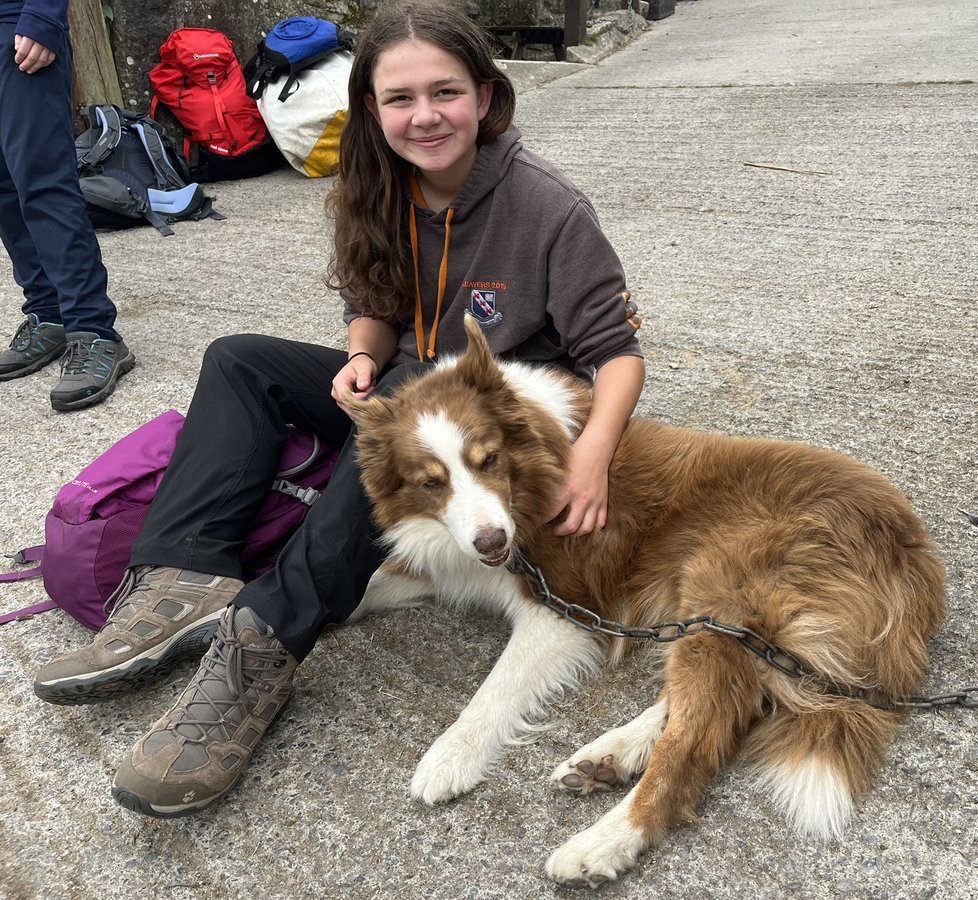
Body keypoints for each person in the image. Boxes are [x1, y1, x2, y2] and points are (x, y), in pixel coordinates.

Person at [33, 0, 645, 818]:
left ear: (487, 97)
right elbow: (374, 305)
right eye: (400, 98)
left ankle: (262, 646)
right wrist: (361, 352)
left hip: (499, 424)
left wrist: (597, 453)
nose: (425, 115)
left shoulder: (548, 207)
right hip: (405, 389)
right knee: (239, 360)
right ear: (371, 109)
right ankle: (183, 581)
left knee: (388, 441)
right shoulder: (374, 187)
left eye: (446, 92)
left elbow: (618, 352)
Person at [0, 0, 135, 410]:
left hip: (17, 26)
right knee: (4, 187)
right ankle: (48, 312)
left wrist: (43, 14)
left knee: (44, 182)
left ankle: (92, 329)